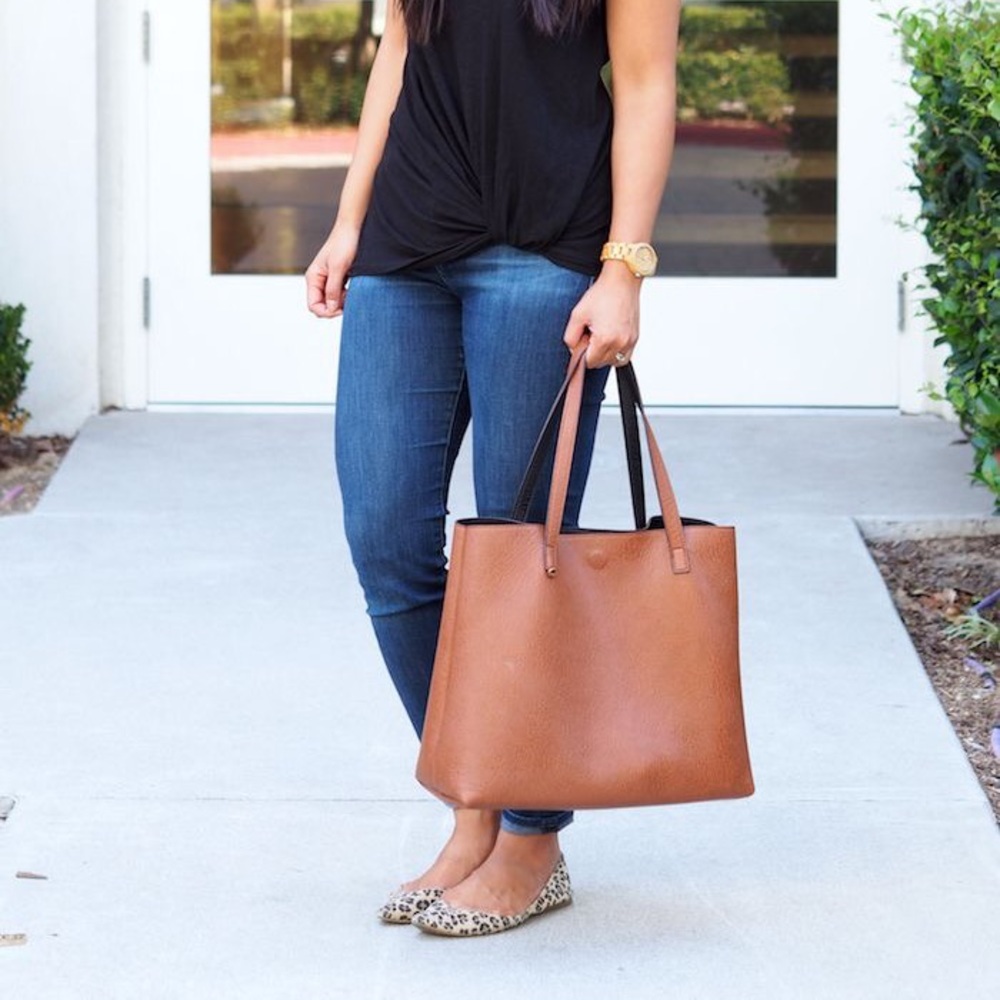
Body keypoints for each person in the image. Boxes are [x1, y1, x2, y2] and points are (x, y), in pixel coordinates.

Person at [306, 0, 681, 937]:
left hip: (544, 250)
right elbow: (398, 50)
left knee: (523, 563)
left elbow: (644, 82)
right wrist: (349, 220)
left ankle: (531, 835)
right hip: (404, 245)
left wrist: (625, 268)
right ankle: (477, 797)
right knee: (386, 539)